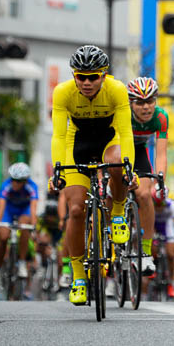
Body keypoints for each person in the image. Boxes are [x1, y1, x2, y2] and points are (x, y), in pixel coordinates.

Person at [49, 45, 137, 306]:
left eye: (93, 77)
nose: (86, 83)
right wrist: (57, 169)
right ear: (74, 76)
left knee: (117, 163)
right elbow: (59, 134)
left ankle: (118, 211)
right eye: (81, 77)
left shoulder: (117, 89)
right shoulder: (62, 92)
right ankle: (77, 277)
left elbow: (127, 131)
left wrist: (129, 166)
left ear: (104, 75)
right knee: (76, 210)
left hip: (110, 139)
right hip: (77, 144)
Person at [127, 76, 168, 276]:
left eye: (150, 101)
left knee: (145, 195)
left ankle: (144, 252)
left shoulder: (160, 117)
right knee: (110, 193)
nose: (146, 107)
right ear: (130, 103)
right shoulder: (122, 114)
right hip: (119, 152)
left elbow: (160, 153)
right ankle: (106, 242)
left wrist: (160, 181)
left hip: (140, 153)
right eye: (140, 103)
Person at [0, 162, 38, 282]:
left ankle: (22, 262)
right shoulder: (6, 185)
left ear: (25, 181)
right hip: (8, 211)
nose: (14, 183)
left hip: (24, 211)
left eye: (18, 181)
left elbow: (33, 208)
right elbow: (1, 206)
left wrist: (34, 226)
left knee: (26, 225)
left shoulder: (32, 187)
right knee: (3, 237)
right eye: (13, 179)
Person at [153, 189, 174, 299]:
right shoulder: (150, 203)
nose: (160, 207)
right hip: (154, 227)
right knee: (152, 249)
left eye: (162, 203)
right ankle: (153, 267)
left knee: (171, 255)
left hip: (168, 228)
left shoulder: (172, 205)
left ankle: (170, 282)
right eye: (157, 204)